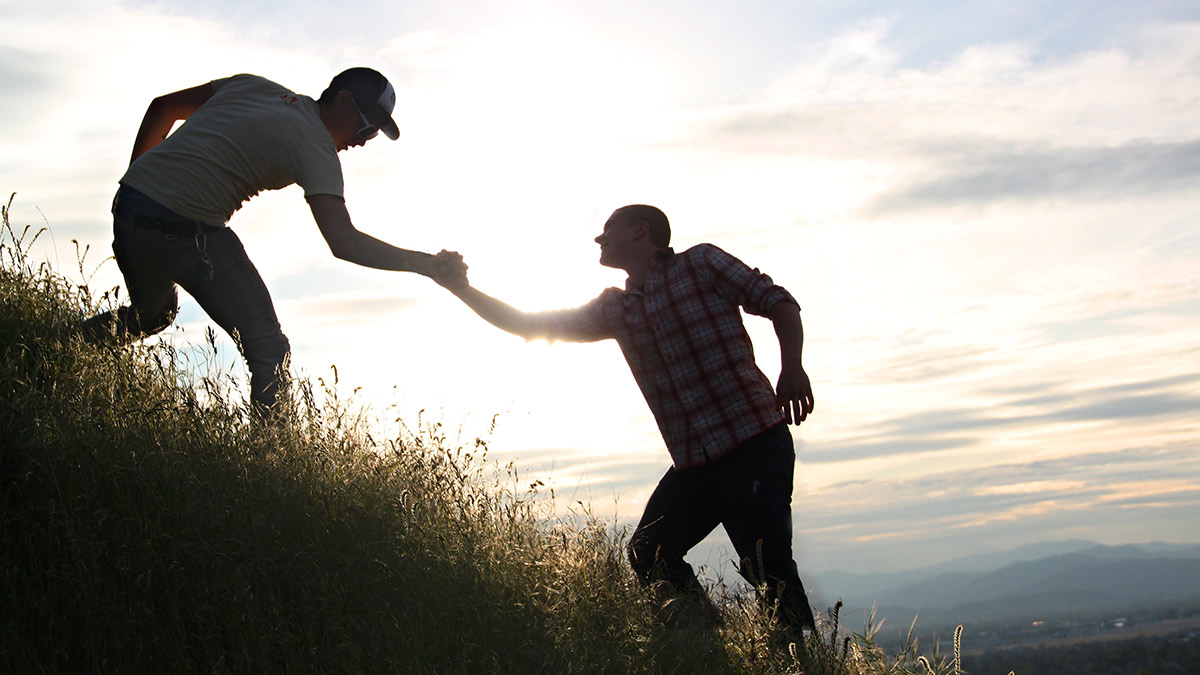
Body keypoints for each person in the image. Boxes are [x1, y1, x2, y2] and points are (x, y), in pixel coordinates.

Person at [434, 204, 817, 636]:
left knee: (766, 564)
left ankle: (800, 657)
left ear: (641, 230)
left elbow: (778, 301)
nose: (599, 238)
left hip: (753, 440)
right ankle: (709, 644)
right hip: (696, 462)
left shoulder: (701, 262)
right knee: (649, 551)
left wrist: (792, 368)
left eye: (609, 228)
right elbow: (528, 323)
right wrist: (461, 289)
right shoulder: (616, 308)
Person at [82, 67, 464, 413]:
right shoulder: (316, 147)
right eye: (366, 129)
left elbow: (163, 108)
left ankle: (53, 350)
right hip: (185, 228)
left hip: (128, 210)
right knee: (269, 349)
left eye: (373, 135)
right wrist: (426, 264)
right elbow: (343, 241)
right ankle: (269, 463)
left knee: (153, 315)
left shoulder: (254, 86)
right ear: (343, 100)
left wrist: (140, 182)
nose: (363, 142)